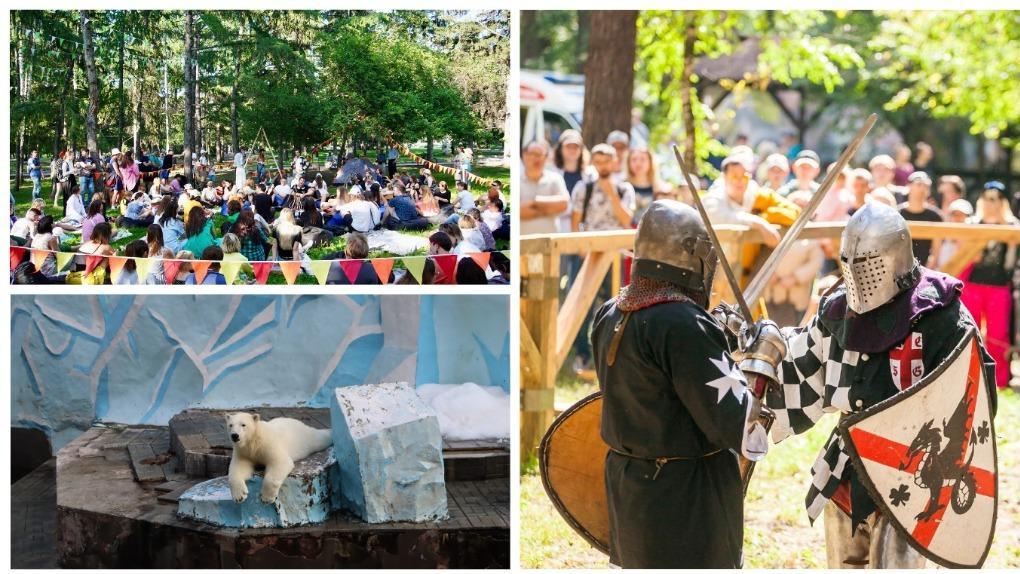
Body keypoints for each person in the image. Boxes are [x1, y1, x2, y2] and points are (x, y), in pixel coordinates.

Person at [764, 202, 997, 568]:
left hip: (914, 478)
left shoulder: (940, 315)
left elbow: (973, 398)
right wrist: (763, 359)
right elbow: (800, 371)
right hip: (848, 464)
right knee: (844, 564)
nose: (859, 276)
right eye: (851, 264)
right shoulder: (839, 311)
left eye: (868, 265)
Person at [593, 200, 771, 568]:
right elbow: (740, 425)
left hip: (630, 488)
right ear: (692, 257)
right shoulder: (683, 324)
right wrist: (762, 359)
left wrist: (715, 336)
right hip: (685, 498)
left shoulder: (610, 313)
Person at [960, 181, 1019, 390]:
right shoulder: (973, 223)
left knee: (997, 334)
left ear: (1002, 201)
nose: (989, 203)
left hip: (999, 287)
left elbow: (1010, 264)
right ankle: (968, 378)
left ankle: (999, 381)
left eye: (994, 198)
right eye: (986, 197)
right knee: (969, 331)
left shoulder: (1012, 226)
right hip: (974, 285)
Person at [570, 144, 636, 232]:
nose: (603, 166)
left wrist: (612, 194)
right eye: (598, 162)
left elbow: (626, 221)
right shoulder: (583, 188)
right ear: (592, 163)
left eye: (607, 161)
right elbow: (575, 224)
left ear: (615, 161)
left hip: (617, 243)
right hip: (590, 243)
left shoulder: (625, 189)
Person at [898, 171, 943, 268]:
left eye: (926, 186)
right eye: (919, 185)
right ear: (909, 186)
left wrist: (925, 273)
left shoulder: (935, 216)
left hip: (925, 269)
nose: (922, 189)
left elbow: (936, 252)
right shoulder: (896, 214)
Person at [625, 147, 670, 222]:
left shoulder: (661, 188)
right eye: (634, 159)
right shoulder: (623, 187)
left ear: (650, 162)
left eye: (642, 159)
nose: (638, 163)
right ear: (628, 163)